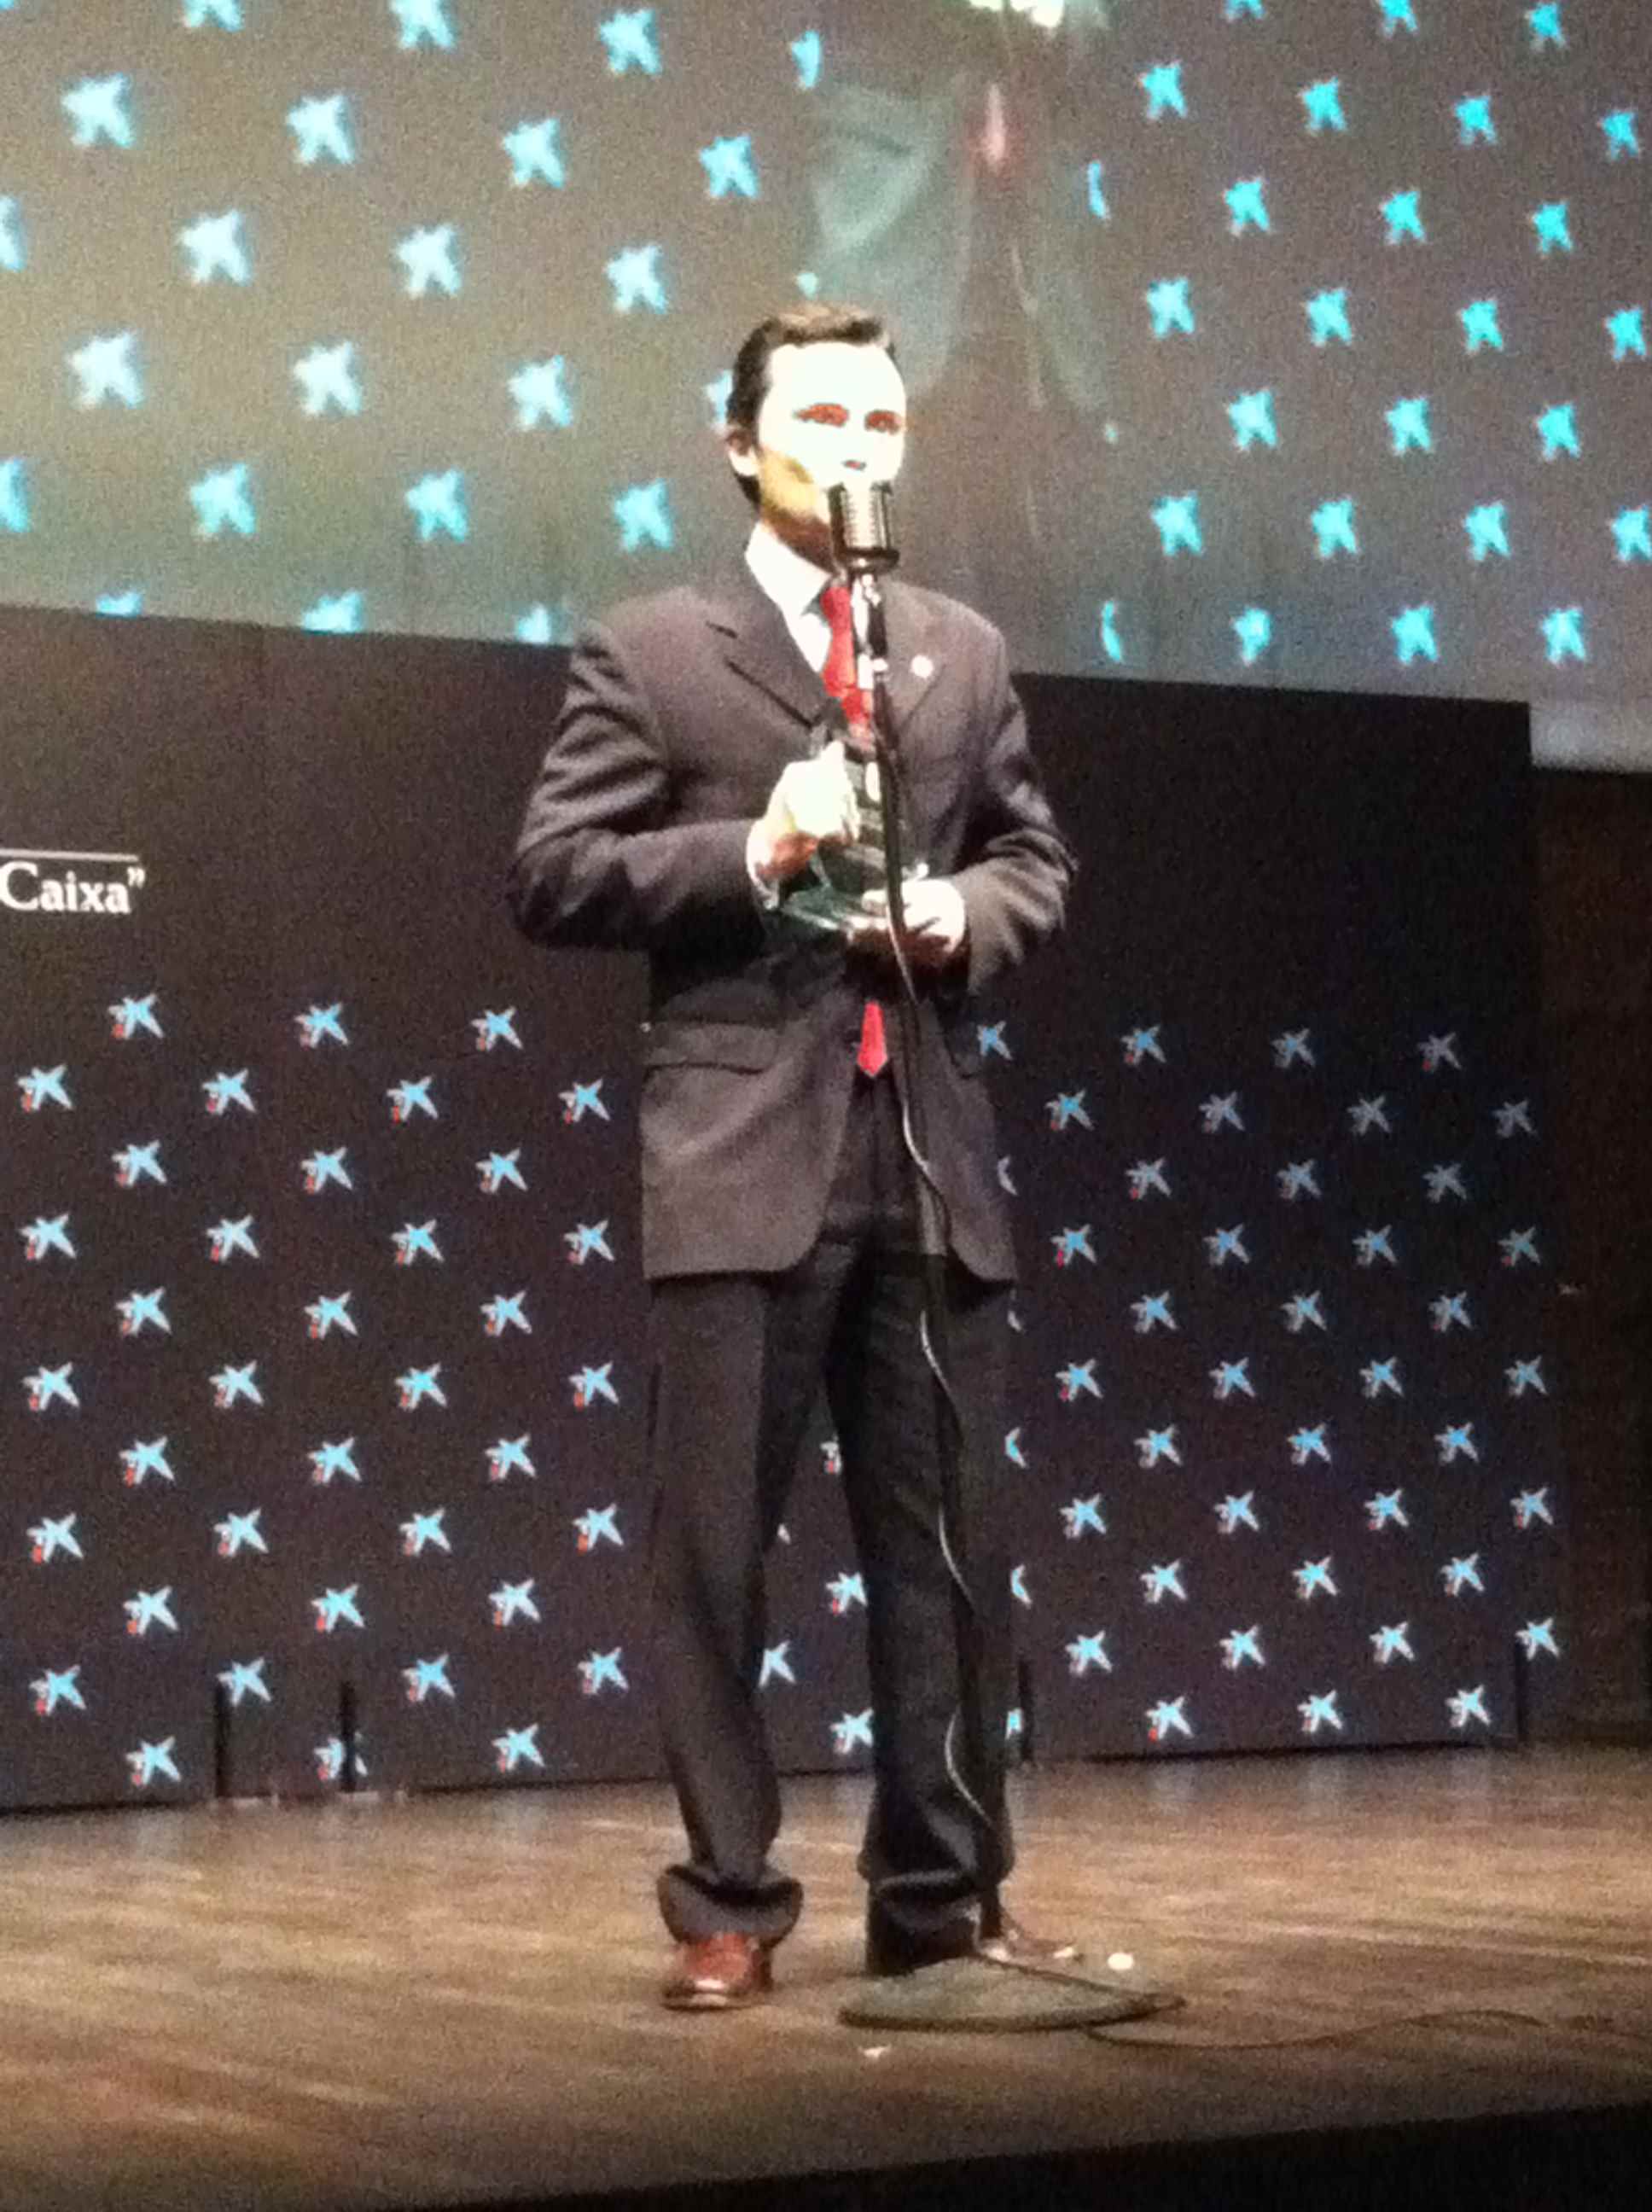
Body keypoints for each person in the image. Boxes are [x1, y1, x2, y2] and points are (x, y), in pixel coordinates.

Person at [508, 301, 1074, 2010]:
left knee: (948, 1555)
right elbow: (554, 871)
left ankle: (943, 1894)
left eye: (880, 424)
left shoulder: (960, 651)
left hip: (926, 1152)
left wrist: (956, 913)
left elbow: (1032, 862)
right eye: (821, 420)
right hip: (743, 1156)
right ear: (741, 444)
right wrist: (753, 848)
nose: (854, 449)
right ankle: (728, 1901)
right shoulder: (651, 651)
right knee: (713, 1558)